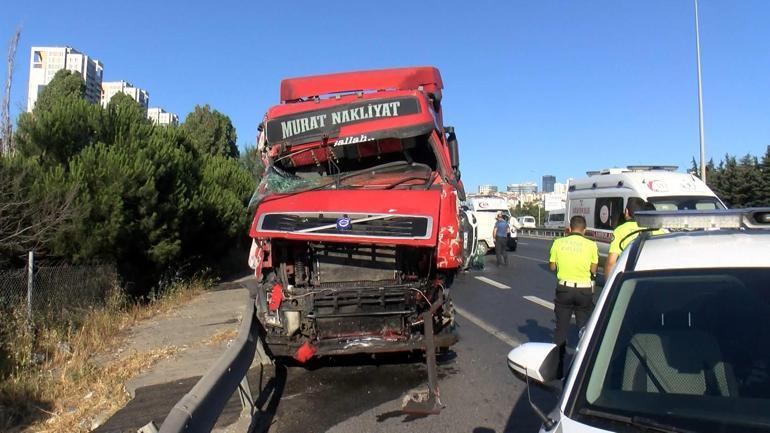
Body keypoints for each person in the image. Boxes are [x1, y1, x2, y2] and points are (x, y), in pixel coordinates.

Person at [549, 215, 598, 378]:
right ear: (584, 230)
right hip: (584, 292)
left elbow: (552, 266)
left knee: (561, 330)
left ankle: (557, 369)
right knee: (584, 330)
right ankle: (584, 370)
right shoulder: (591, 245)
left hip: (564, 290)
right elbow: (593, 270)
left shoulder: (558, 243)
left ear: (569, 229)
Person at [604, 197, 657, 276]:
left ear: (626, 211)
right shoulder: (655, 229)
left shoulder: (620, 230)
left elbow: (611, 262)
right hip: (650, 275)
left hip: (629, 275)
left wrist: (608, 285)